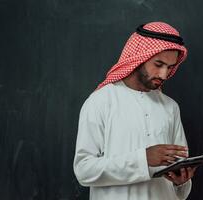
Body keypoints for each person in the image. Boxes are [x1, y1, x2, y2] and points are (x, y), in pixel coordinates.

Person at [73, 22, 196, 200]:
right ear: (138, 57)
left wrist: (181, 181)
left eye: (169, 67)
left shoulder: (170, 107)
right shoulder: (100, 102)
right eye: (159, 64)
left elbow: (180, 188)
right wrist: (143, 159)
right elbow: (84, 171)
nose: (163, 75)